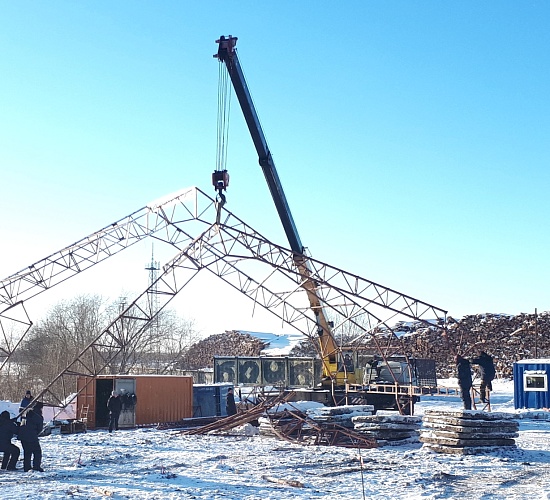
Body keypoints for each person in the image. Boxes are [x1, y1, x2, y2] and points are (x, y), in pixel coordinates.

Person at [18, 402, 44, 472]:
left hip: (22, 435)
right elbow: (39, 429)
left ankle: (27, 467)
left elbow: (21, 421)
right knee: (37, 452)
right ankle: (36, 466)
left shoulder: (26, 412)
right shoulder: (39, 416)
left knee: (27, 452)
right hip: (31, 436)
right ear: (41, 408)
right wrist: (35, 434)